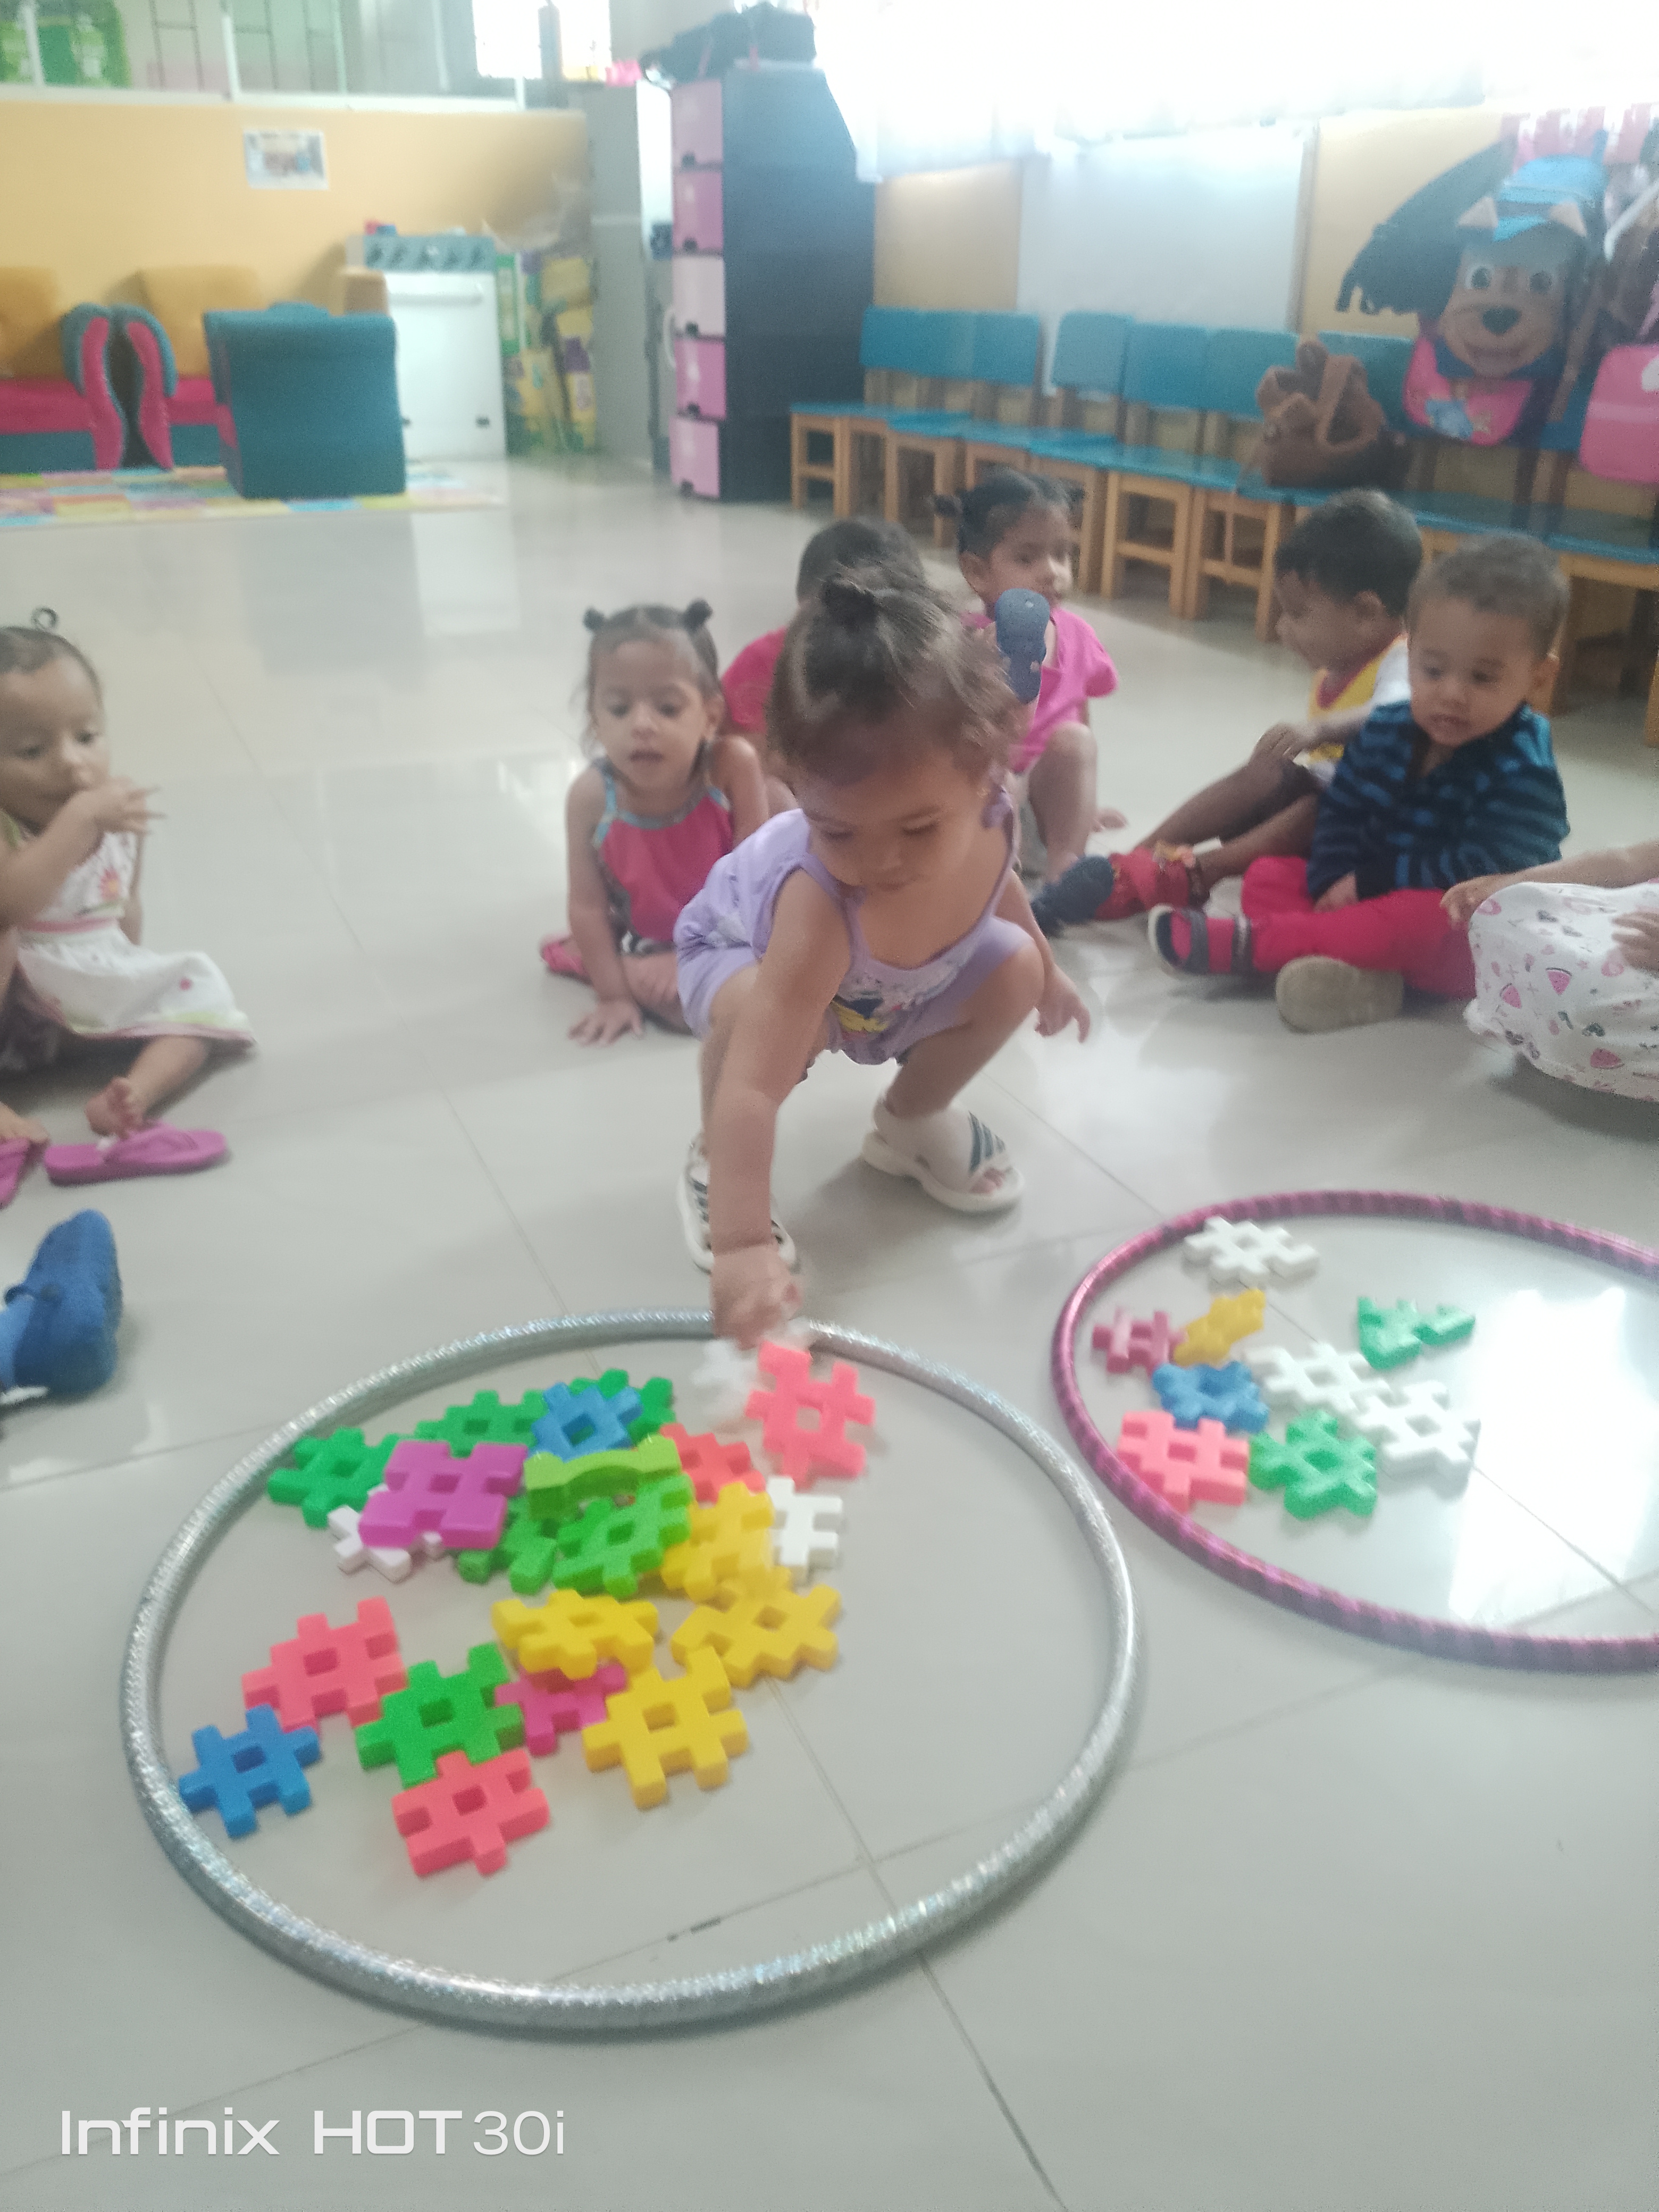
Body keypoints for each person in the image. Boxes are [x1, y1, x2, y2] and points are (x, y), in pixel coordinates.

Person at [674, 567, 1090, 1344]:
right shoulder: (819, 905)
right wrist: (742, 1246)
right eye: (837, 829)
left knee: (1017, 970)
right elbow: (755, 1088)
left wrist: (1049, 967)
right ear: (794, 785)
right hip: (742, 949)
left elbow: (1000, 886)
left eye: (918, 828)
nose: (880, 860)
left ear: (983, 776)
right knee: (764, 1022)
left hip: (876, 991)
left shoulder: (994, 815)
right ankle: (712, 1165)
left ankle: (910, 1121)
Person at [1150, 534, 1572, 1033]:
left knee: (1425, 917)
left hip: (1456, 931)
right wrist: (1332, 879)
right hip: (1368, 900)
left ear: (1538, 677)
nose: (1452, 694)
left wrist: (1368, 882)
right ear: (1409, 655)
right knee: (1269, 875)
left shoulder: (1524, 766)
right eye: (1433, 670)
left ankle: (1257, 946)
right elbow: (1341, 812)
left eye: (1482, 678)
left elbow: (1487, 870)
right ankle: (1355, 974)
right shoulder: (1388, 728)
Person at [1032, 490, 1422, 932]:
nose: (1283, 629)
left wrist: (1321, 729)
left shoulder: (1401, 661)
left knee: (1316, 803)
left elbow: (1400, 709)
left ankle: (1199, 873)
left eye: (1298, 615)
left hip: (1360, 832)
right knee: (1268, 771)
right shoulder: (1339, 667)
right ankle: (1128, 863)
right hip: (1316, 820)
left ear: (1366, 613)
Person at [0, 615, 250, 1163]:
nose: (71, 762)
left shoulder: (116, 817)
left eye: (86, 737)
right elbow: (14, 901)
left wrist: (132, 981)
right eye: (32, 750)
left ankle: (133, 1096)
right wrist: (80, 819)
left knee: (199, 999)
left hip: (69, 1014)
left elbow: (124, 909)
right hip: (11, 1006)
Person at [540, 600, 767, 1045]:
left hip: (728, 930)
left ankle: (620, 963)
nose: (641, 725)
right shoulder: (591, 798)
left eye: (667, 708)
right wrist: (615, 997)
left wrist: (693, 951)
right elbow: (587, 907)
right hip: (645, 937)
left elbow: (757, 883)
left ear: (710, 717)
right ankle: (617, 966)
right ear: (595, 721)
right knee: (689, 1013)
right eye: (619, 709)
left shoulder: (730, 767)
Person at [940, 470, 1122, 883]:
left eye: (1062, 554)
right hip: (981, 810)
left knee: (1076, 741)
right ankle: (999, 886)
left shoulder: (1078, 635)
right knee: (995, 770)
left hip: (1047, 812)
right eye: (1027, 559)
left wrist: (1085, 806)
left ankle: (1064, 875)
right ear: (978, 572)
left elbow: (1079, 713)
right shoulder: (960, 640)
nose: (1051, 572)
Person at [1444, 837, 1659, 1099]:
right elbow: (1624, 862)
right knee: (1507, 910)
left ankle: (1569, 1033)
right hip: (1634, 918)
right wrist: (1513, 883)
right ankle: (1544, 1031)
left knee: (1607, 994)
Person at [722, 515, 925, 753]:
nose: (858, 639)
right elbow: (728, 752)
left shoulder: (930, 667)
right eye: (843, 615)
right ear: (802, 606)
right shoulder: (760, 663)